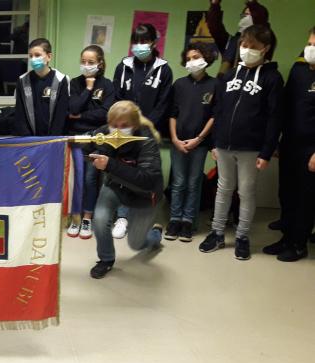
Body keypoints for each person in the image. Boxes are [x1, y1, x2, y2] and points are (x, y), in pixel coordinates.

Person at [199, 24, 283, 260]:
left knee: (246, 191)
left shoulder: (272, 78)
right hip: (224, 144)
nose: (246, 50)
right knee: (223, 189)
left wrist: (266, 152)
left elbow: (275, 117)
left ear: (265, 49)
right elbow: (219, 109)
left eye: (253, 47)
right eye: (244, 45)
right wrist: (214, 142)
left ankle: (242, 236)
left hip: (251, 147)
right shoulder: (229, 75)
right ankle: (216, 233)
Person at [88, 101, 164, 279]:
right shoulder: (106, 131)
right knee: (99, 221)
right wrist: (85, 145)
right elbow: (86, 143)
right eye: (114, 125)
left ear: (135, 125)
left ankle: (155, 235)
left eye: (124, 126)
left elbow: (147, 180)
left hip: (144, 196)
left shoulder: (147, 142)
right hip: (115, 186)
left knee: (136, 244)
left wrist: (110, 164)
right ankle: (106, 260)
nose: (117, 129)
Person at [112, 23, 173, 240]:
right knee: (123, 173)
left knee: (148, 175)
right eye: (136, 42)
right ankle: (122, 216)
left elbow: (164, 103)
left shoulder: (164, 69)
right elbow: (117, 96)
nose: (139, 46)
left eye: (144, 41)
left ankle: (146, 217)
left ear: (154, 43)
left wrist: (146, 124)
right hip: (125, 129)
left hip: (149, 130)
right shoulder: (123, 66)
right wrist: (126, 122)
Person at [262, 27, 315, 262]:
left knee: (305, 198)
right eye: (310, 43)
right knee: (287, 193)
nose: (310, 48)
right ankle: (285, 238)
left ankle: (298, 244)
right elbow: (285, 107)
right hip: (290, 143)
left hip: (311, 150)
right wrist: (276, 141)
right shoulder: (299, 70)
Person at [165, 42, 218, 242]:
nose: (191, 62)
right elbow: (172, 114)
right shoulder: (179, 84)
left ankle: (188, 221)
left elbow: (214, 116)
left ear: (206, 59)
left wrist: (199, 139)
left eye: (195, 57)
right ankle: (175, 219)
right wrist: (175, 139)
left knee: (194, 182)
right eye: (188, 59)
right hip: (178, 142)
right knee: (178, 182)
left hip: (199, 144)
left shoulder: (215, 85)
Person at [67, 45, 116, 240]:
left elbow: (106, 114)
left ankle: (88, 217)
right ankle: (75, 217)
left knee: (90, 178)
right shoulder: (74, 83)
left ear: (100, 63)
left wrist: (80, 116)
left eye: (91, 62)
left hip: (97, 138)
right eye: (83, 62)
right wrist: (88, 88)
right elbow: (72, 109)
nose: (86, 66)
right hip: (76, 138)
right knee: (76, 179)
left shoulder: (108, 85)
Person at [13, 38, 70, 137]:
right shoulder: (22, 80)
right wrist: (28, 138)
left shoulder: (61, 80)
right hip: (29, 139)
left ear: (49, 56)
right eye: (31, 56)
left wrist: (52, 139)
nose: (33, 59)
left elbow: (61, 114)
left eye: (37, 55)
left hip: (53, 138)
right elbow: (20, 114)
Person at [207, 0, 272, 78]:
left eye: (251, 15)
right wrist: (215, 5)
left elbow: (261, 20)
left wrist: (251, 2)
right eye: (245, 15)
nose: (247, 18)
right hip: (227, 85)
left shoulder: (266, 39)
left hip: (256, 82)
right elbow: (214, 27)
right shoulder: (230, 41)